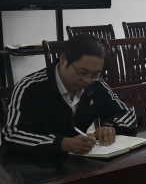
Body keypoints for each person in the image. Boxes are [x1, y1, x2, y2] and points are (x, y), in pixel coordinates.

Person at [2, 34, 136, 155]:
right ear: (63, 59)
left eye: (95, 74)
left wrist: (110, 127)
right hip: (34, 165)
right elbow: (12, 135)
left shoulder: (96, 84)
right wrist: (62, 143)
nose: (88, 80)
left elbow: (128, 113)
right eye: (82, 73)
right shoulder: (30, 87)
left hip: (77, 162)